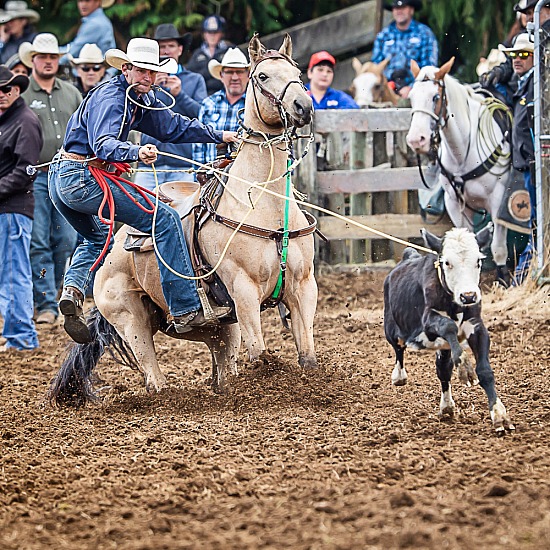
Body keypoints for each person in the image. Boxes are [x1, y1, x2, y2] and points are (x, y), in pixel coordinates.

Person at [48, 38, 239, 343]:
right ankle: (187, 308)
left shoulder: (136, 97)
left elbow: (174, 127)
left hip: (63, 179)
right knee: (164, 220)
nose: (148, 78)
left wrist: (219, 135)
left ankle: (72, 291)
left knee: (99, 237)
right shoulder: (112, 98)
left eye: (152, 72)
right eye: (142, 71)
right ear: (126, 69)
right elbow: (104, 144)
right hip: (82, 177)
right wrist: (134, 152)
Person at [19, 33, 83, 326]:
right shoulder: (21, 96)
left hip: (65, 173)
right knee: (38, 240)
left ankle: (53, 290)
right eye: (43, 57)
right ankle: (45, 302)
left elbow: (83, 128)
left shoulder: (71, 92)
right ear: (32, 60)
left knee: (66, 239)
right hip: (34, 177)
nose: (48, 62)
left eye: (53, 57)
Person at [0, 66, 42, 351]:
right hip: (8, 207)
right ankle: (18, 333)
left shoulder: (24, 121)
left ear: (16, 90)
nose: (2, 94)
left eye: (6, 89)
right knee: (10, 271)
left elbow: (26, 171)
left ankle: (23, 336)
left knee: (14, 271)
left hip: (13, 209)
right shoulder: (8, 121)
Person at [135, 24, 206, 189]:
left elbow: (202, 115)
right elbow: (136, 113)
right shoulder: (144, 80)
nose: (166, 51)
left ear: (180, 49)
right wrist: (152, 88)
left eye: (171, 46)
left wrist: (180, 95)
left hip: (182, 165)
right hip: (149, 164)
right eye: (162, 46)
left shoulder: (194, 79)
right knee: (139, 210)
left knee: (184, 214)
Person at [499, 34, 536, 283]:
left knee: (537, 225)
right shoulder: (524, 83)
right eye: (514, 55)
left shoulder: (535, 84)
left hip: (534, 165)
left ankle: (521, 279)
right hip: (528, 166)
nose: (517, 59)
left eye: (523, 54)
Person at [193, 47, 249, 168]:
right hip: (212, 175)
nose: (235, 77)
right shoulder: (208, 104)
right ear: (221, 75)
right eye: (229, 72)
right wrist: (198, 175)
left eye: (239, 72)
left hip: (246, 177)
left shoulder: (255, 106)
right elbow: (199, 145)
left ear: (248, 75)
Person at [480, 0, 550, 89]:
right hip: (523, 92)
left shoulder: (544, 37)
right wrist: (498, 72)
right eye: (528, 13)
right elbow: (510, 64)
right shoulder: (523, 37)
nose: (531, 17)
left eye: (536, 11)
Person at [372, 0, 438, 83]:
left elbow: (429, 67)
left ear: (411, 10)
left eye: (403, 7)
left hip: (417, 87)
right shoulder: (383, 35)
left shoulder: (425, 34)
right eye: (396, 8)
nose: (399, 11)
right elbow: (376, 65)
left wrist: (410, 87)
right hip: (387, 88)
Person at [186, 14, 233, 95]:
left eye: (215, 32)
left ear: (221, 33)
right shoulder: (197, 54)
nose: (212, 36)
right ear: (204, 34)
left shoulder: (229, 50)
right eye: (209, 32)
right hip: (202, 95)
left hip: (226, 94)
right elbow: (190, 77)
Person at [60, 0, 116, 65]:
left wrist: (53, 58)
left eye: (87, 1)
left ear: (98, 2)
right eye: (80, 1)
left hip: (97, 70)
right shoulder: (98, 20)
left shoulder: (95, 24)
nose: (83, 4)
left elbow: (73, 51)